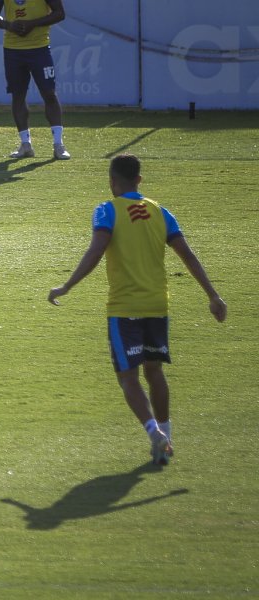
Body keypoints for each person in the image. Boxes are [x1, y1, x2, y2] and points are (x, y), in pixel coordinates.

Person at [48, 154, 226, 465]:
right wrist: (213, 295)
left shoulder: (107, 210)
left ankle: (154, 432)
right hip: (157, 305)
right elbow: (188, 255)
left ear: (111, 181)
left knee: (128, 377)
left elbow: (97, 250)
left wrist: (67, 285)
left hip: (124, 307)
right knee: (154, 372)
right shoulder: (161, 212)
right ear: (139, 180)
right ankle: (167, 436)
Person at [0, 0, 71, 160]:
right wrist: (8, 25)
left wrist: (32, 24)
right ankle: (25, 144)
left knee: (49, 94)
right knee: (18, 96)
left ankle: (58, 145)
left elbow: (60, 13)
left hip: (40, 48)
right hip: (12, 50)